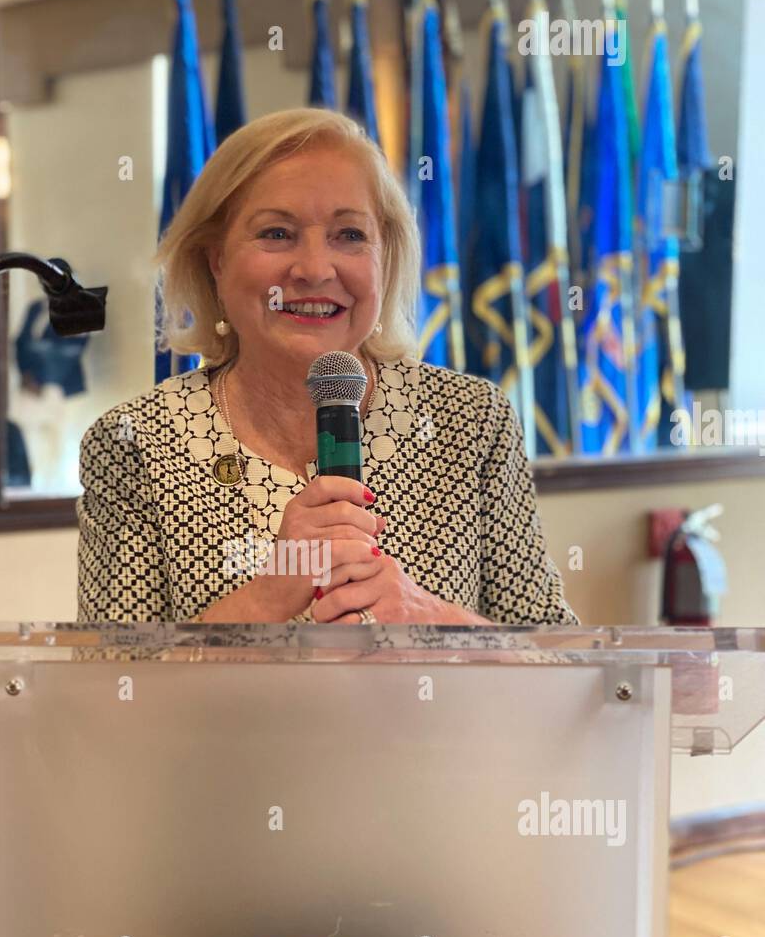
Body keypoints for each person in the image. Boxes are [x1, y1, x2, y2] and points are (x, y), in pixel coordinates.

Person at [77, 107, 576, 626]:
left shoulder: (471, 421)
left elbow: (559, 665)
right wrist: (269, 597)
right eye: (276, 233)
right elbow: (114, 687)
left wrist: (433, 621)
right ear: (216, 260)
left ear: (386, 256)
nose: (315, 269)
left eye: (350, 235)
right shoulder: (136, 442)